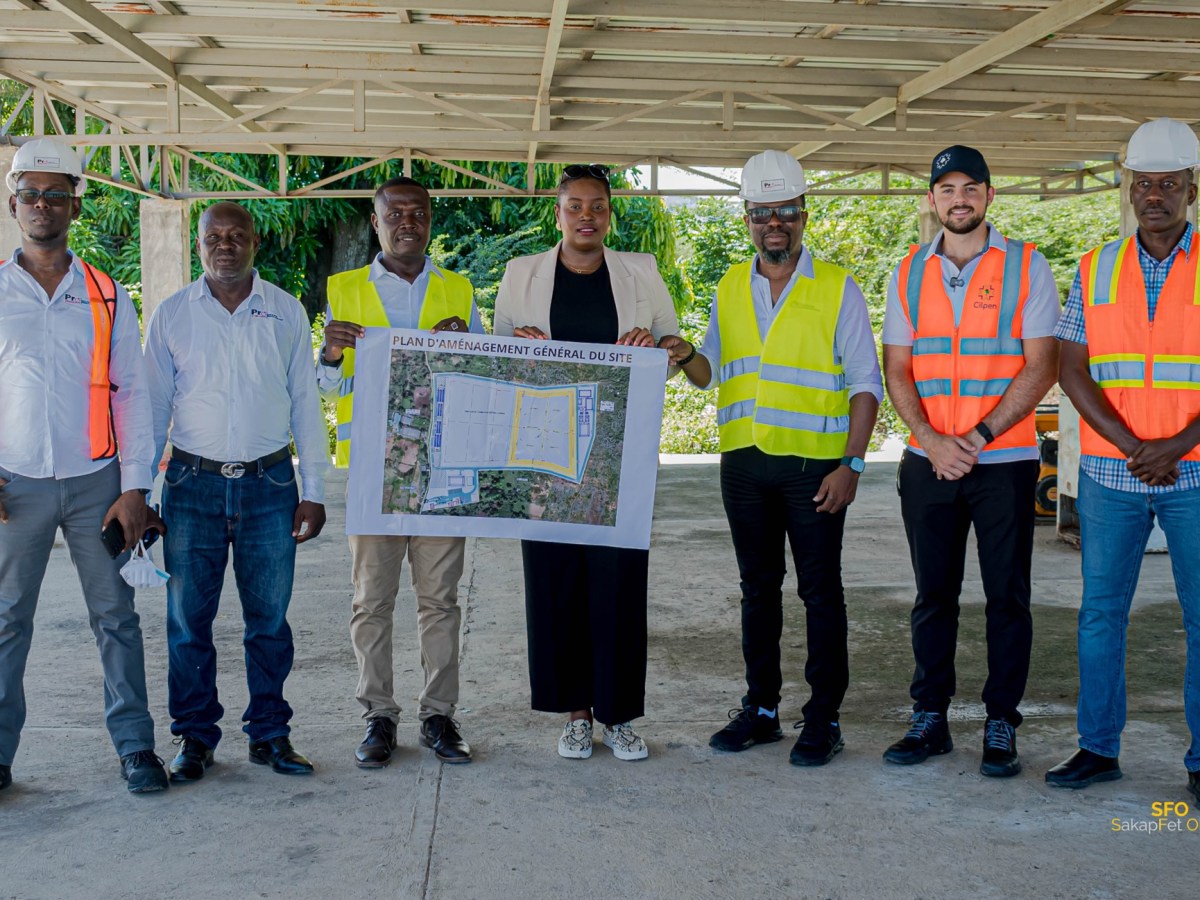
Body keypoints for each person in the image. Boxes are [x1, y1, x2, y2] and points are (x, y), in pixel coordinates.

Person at [659, 150, 880, 767]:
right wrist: (681, 353)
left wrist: (853, 465)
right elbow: (708, 373)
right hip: (744, 466)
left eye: (785, 211)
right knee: (758, 590)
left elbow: (866, 383)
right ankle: (760, 709)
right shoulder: (732, 284)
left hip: (817, 469)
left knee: (820, 593)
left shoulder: (837, 287)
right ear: (748, 217)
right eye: (762, 213)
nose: (773, 223)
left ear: (804, 215)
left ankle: (823, 718)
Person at [880, 145, 1060, 778]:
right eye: (947, 188)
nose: (959, 198)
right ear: (931, 200)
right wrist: (931, 439)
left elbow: (1041, 365)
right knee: (934, 595)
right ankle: (929, 717)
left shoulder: (1028, 267)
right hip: (926, 459)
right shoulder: (905, 273)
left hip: (1003, 460)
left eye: (971, 188)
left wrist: (977, 436)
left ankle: (1001, 723)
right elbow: (897, 368)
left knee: (1007, 598)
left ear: (989, 196)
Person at [493, 163, 678, 761]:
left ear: (609, 212)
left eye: (597, 205)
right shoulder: (521, 275)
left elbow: (674, 349)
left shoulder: (640, 272)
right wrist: (514, 346)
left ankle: (618, 714)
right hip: (544, 456)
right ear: (558, 212)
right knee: (556, 582)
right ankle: (576, 714)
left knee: (618, 583)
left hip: (617, 455)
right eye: (575, 205)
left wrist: (657, 348)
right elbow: (496, 362)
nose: (586, 216)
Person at [0, 138, 166, 793]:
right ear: (15, 205)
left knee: (116, 616)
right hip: (15, 485)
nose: (43, 205)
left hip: (97, 482)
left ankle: (135, 748)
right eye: (31, 195)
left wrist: (134, 489)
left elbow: (132, 391)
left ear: (75, 205)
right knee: (8, 619)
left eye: (56, 195)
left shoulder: (103, 292)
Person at [144, 202, 328, 780]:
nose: (225, 244)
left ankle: (270, 734)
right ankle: (194, 737)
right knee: (186, 622)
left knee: (268, 621)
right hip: (190, 485)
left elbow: (305, 403)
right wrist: (141, 491)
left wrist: (314, 487)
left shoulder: (286, 311)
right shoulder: (173, 315)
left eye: (237, 235)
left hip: (270, 485)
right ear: (199, 245)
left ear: (255, 243)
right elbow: (151, 409)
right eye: (213, 236)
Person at [1046, 118, 1200, 802]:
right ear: (1129, 190)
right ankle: (1097, 747)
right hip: (1114, 473)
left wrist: (1178, 445)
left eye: (1169, 183)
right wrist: (1135, 445)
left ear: (1191, 190)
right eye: (1145, 184)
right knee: (1100, 614)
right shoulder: (1095, 267)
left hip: (1195, 472)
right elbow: (1071, 366)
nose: (1155, 195)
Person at [319, 176, 482, 767]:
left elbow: (482, 381)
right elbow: (325, 386)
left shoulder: (460, 290)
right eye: (395, 213)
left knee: (440, 601)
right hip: (372, 469)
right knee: (372, 600)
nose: (407, 221)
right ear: (376, 220)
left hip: (443, 470)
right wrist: (332, 354)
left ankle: (439, 716)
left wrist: (467, 348)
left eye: (418, 212)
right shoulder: (343, 288)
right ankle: (378, 717)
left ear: (431, 219)